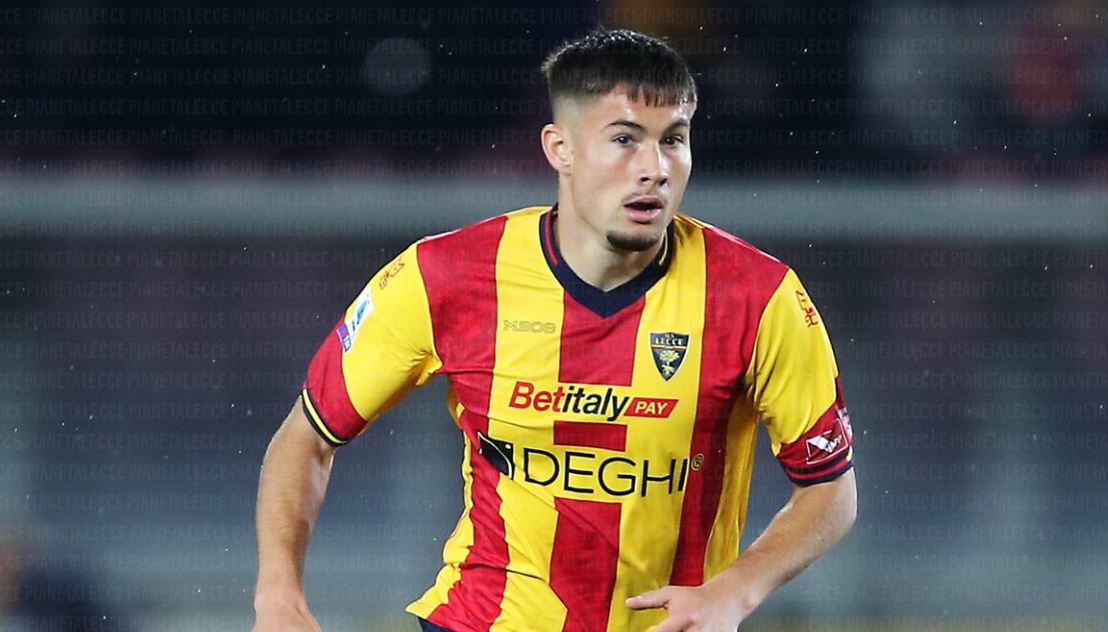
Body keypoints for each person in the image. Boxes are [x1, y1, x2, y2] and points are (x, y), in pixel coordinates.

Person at [253, 28, 857, 632]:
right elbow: (307, 436)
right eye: (624, 140)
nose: (654, 168)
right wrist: (280, 598)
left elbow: (831, 491)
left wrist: (735, 591)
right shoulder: (445, 276)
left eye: (673, 139)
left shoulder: (759, 297)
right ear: (560, 148)